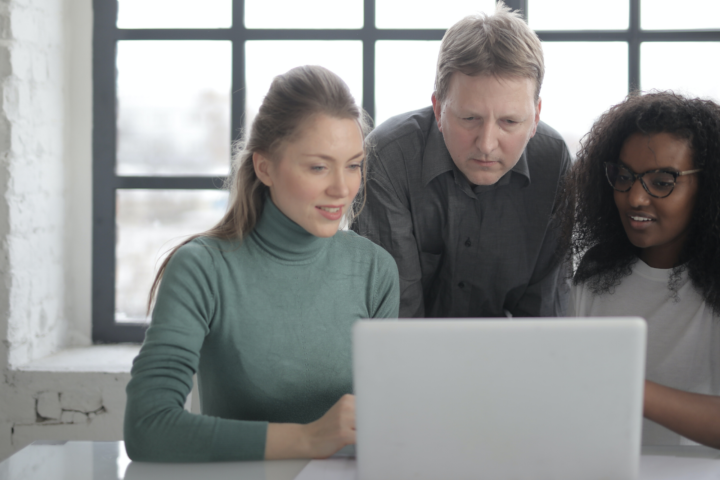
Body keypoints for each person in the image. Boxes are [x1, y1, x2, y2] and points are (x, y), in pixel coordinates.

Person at [123, 65, 400, 462]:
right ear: (265, 166)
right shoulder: (202, 269)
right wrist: (307, 439)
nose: (342, 188)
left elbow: (385, 424)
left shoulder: (375, 271)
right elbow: (147, 426)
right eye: (318, 166)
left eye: (353, 164)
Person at [352, 2, 571, 318]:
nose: (486, 145)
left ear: (535, 116)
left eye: (510, 122)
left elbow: (545, 319)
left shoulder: (554, 162)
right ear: (439, 109)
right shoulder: (389, 159)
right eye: (469, 118)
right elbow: (398, 322)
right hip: (408, 361)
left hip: (514, 361)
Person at [559, 91, 720, 448]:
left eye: (662, 182)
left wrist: (625, 384)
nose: (634, 197)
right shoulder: (596, 273)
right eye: (624, 176)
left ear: (708, 187)